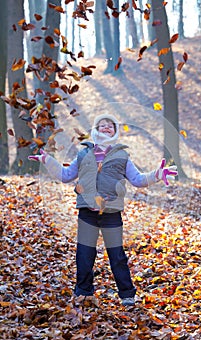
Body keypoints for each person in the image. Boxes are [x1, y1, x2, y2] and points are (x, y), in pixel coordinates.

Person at [28, 114, 178, 306]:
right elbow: (65, 176)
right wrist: (48, 161)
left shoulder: (122, 156)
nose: (106, 128)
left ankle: (127, 295)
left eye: (110, 126)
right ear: (95, 130)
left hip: (111, 214)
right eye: (102, 125)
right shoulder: (83, 155)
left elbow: (138, 180)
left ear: (115, 131)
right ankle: (84, 292)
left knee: (117, 256)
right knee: (84, 254)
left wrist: (157, 174)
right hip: (87, 213)